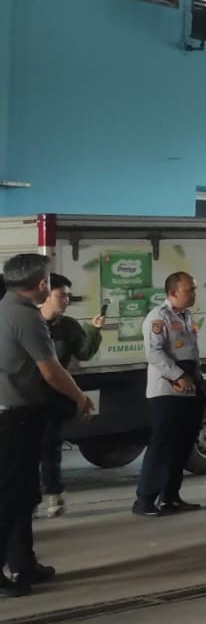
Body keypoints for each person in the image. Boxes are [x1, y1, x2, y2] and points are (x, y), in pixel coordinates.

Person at [1, 254, 93, 597]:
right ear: (42, 284)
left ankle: (24, 563)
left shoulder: (4, 308)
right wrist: (80, 398)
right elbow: (51, 370)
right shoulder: (26, 317)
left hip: (12, 415)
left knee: (21, 495)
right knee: (12, 497)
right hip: (16, 418)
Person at [132, 272, 205, 517]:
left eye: (194, 289)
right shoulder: (158, 317)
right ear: (173, 292)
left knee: (183, 444)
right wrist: (179, 375)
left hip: (190, 386)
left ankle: (170, 496)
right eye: (189, 290)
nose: (194, 294)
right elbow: (154, 353)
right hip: (167, 390)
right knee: (162, 445)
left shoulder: (186, 315)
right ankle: (145, 500)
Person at [38, 274, 105, 518]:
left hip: (54, 394)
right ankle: (27, 499)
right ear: (46, 295)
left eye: (68, 296)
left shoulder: (68, 326)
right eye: (61, 295)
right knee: (23, 450)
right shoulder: (30, 322)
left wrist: (94, 330)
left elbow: (84, 353)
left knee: (50, 445)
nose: (66, 300)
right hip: (26, 395)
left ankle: (53, 494)